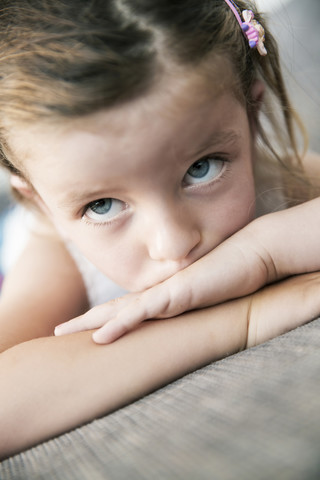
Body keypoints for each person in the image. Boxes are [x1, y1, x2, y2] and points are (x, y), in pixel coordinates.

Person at [0, 0, 319, 458]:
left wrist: (262, 251)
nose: (173, 243)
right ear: (42, 203)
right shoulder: (54, 251)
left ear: (251, 117)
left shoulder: (277, 180)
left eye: (203, 169)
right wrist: (240, 320)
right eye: (102, 205)